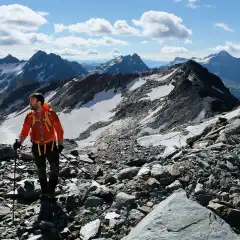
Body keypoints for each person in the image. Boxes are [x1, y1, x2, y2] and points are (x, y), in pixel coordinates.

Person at [13, 92, 64, 200]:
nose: (30, 103)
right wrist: (19, 142)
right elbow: (24, 131)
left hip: (50, 145)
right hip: (39, 147)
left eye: (32, 100)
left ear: (39, 102)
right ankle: (45, 192)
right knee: (41, 170)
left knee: (54, 169)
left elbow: (59, 130)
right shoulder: (30, 116)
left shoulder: (50, 113)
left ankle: (51, 190)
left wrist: (60, 144)